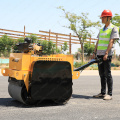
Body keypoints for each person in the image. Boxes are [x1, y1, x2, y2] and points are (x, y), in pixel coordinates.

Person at [92, 9, 119, 100]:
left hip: (106, 54)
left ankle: (109, 94)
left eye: (103, 17)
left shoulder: (113, 28)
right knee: (101, 74)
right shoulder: (101, 29)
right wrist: (94, 52)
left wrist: (106, 53)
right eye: (102, 17)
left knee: (108, 74)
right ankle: (103, 92)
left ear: (109, 18)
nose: (102, 19)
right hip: (99, 54)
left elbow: (111, 41)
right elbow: (98, 41)